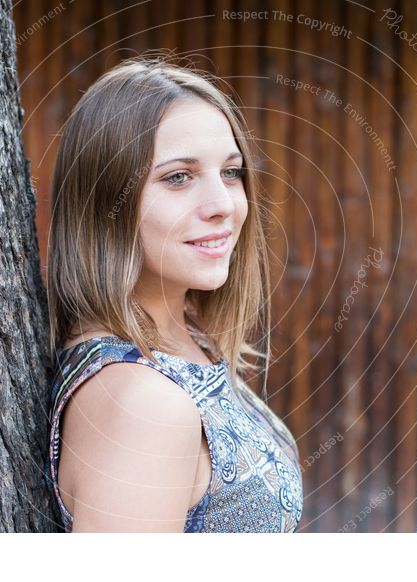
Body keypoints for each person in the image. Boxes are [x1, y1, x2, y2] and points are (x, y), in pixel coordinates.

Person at [45, 53, 303, 532]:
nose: (223, 205)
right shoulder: (142, 405)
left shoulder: (188, 336)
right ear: (107, 204)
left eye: (231, 172)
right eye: (177, 177)